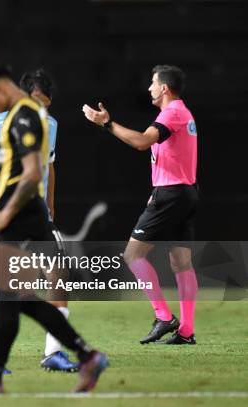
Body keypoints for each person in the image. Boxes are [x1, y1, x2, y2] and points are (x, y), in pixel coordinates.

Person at [0, 57, 108, 394]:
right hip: (24, 212)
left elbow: (33, 175)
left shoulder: (23, 116)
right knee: (11, 295)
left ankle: (1, 373)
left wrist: (4, 213)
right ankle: (79, 356)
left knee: (13, 293)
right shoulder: (24, 115)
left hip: (18, 213)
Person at [82, 65, 199, 345]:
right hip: (184, 192)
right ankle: (186, 331)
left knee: (132, 255)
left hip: (171, 195)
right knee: (181, 262)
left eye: (153, 83)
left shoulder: (172, 113)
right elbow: (172, 158)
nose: (149, 88)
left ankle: (163, 316)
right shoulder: (181, 113)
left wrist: (107, 124)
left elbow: (141, 142)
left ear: (164, 89)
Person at [0, 68, 78, 373]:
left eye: (45, 104)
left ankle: (53, 354)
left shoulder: (50, 125)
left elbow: (49, 166)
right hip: (3, 217)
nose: (40, 109)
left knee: (59, 277)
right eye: (36, 101)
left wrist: (51, 206)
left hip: (36, 216)